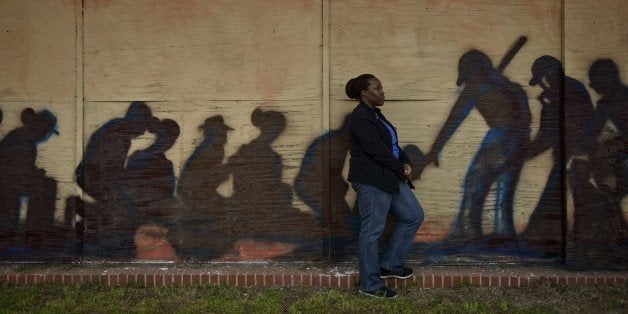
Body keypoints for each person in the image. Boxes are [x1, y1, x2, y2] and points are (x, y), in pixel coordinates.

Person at [421, 50, 530, 241]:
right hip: (504, 137)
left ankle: (478, 234)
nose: (468, 82)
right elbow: (452, 120)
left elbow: (525, 117)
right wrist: (435, 150)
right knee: (491, 186)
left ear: (478, 71)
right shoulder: (478, 88)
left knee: (482, 183)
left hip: (507, 137)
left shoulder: (504, 87)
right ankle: (492, 234)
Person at [345, 74, 424, 299]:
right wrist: (400, 168)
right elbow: (375, 150)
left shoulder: (376, 115)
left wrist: (405, 161)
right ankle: (369, 284)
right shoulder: (360, 116)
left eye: (381, 87)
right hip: (371, 180)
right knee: (372, 231)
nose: (382, 91)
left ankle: (390, 264)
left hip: (388, 176)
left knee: (413, 215)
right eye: (377, 88)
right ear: (364, 93)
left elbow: (393, 146)